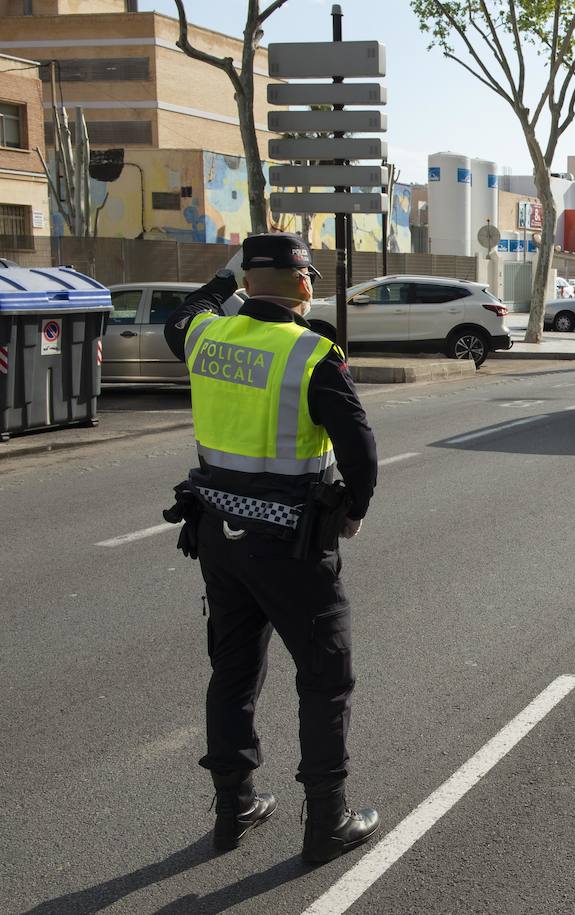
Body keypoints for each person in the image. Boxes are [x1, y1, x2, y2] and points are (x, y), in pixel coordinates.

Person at [163, 233, 381, 864]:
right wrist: (354, 510)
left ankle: (235, 808)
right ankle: (328, 822)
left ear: (249, 283)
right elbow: (360, 452)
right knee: (324, 676)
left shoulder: (206, 336)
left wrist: (225, 279)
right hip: (290, 545)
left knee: (232, 670)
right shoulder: (311, 354)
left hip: (216, 537)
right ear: (306, 285)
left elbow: (182, 314)